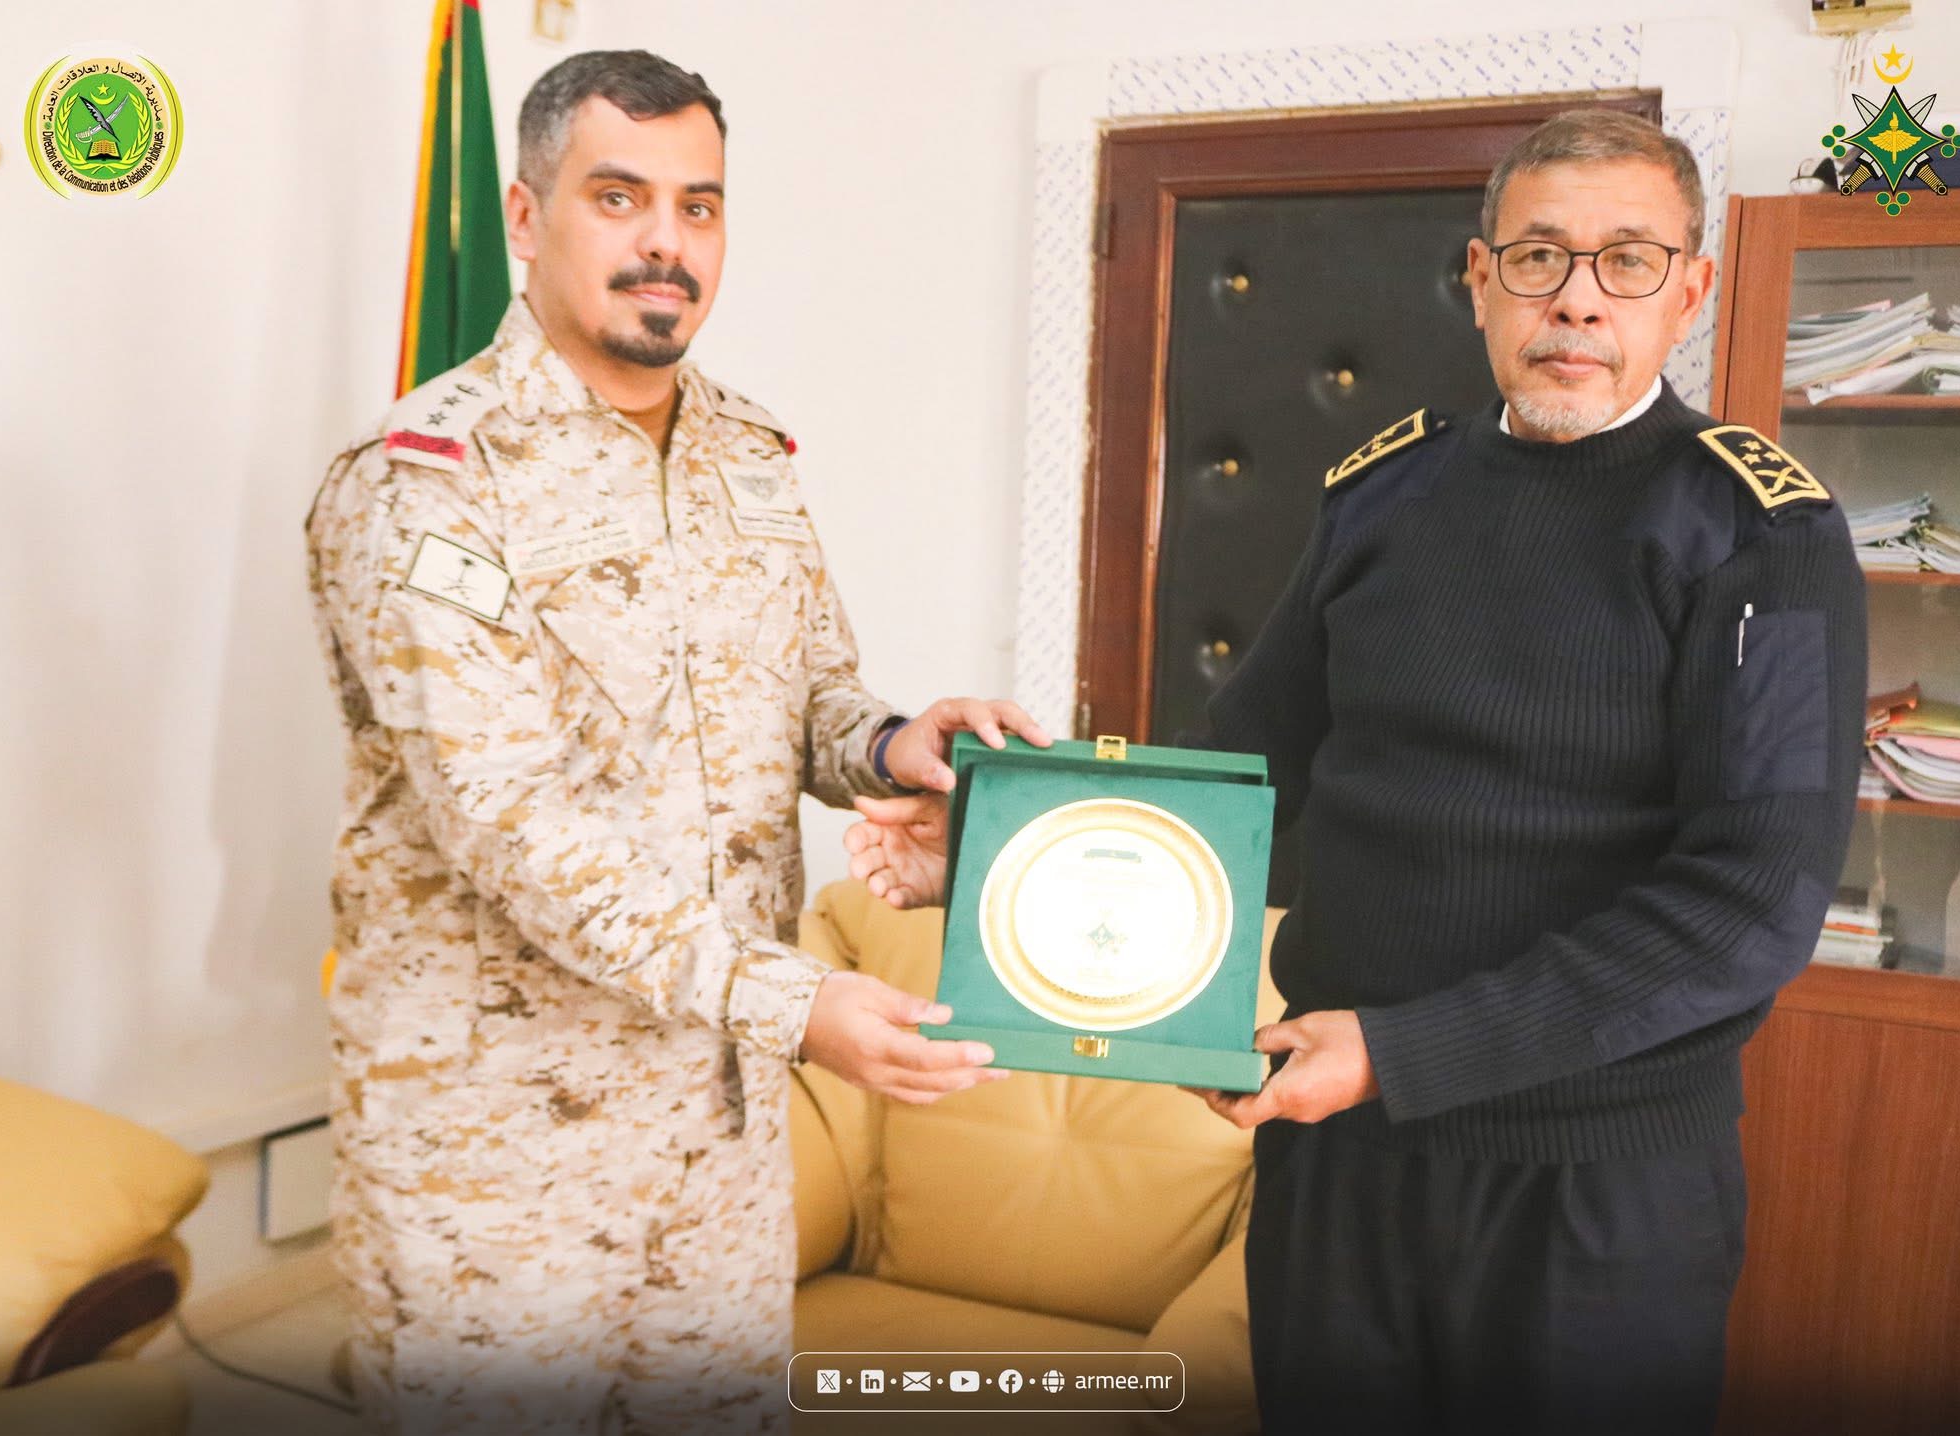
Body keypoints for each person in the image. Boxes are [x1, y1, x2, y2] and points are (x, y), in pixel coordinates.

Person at [849, 110, 1866, 1434]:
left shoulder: (1760, 531)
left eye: (1627, 260)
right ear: (1480, 278)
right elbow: (1244, 785)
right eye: (1538, 256)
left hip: (1593, 1192)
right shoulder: (1386, 493)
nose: (1576, 299)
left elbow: (1750, 908)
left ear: (1691, 290)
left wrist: (1399, 1053)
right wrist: (999, 854)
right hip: (1336, 1163)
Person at [306, 49, 1043, 1436]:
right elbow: (508, 825)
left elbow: (804, 696)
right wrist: (799, 1005)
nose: (667, 242)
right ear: (525, 217)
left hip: (719, 1137)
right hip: (497, 1158)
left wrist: (895, 743)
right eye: (619, 197)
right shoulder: (424, 487)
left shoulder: (747, 454)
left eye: (698, 206)